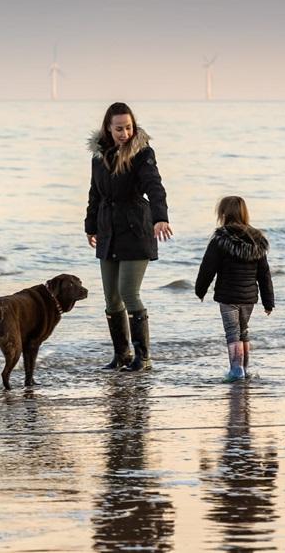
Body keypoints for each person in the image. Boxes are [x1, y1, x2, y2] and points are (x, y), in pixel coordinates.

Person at [85, 102, 172, 372]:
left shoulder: (142, 153)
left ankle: (143, 358)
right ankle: (121, 355)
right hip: (108, 231)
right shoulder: (98, 157)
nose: (124, 133)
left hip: (136, 230)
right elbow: (95, 194)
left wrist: (161, 217)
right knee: (111, 298)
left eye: (128, 127)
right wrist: (90, 226)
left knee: (128, 293)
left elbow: (154, 185)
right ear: (108, 129)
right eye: (119, 128)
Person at [195, 196, 275, 382]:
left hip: (228, 296)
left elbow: (208, 267)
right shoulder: (257, 239)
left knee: (232, 332)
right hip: (249, 298)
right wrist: (268, 301)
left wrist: (201, 289)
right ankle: (244, 369)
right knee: (243, 331)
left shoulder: (221, 238)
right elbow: (264, 274)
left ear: (223, 213)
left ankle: (236, 369)